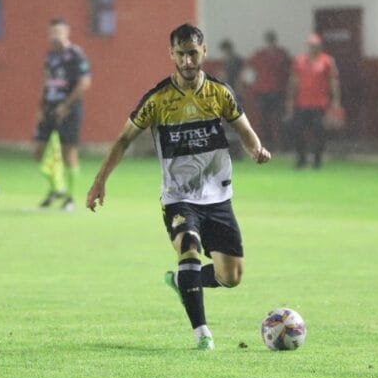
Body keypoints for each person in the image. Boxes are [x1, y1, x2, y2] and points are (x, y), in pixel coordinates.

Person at [85, 23, 270, 351]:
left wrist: (255, 148)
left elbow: (242, 125)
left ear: (204, 52)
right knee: (188, 246)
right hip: (179, 197)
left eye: (193, 54)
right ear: (171, 54)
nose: (187, 61)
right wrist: (99, 181)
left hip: (218, 197)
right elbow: (124, 139)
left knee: (231, 277)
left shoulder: (219, 92)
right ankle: (202, 333)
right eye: (181, 54)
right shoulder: (158, 99)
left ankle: (183, 281)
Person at [33, 17, 92, 211]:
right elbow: (46, 83)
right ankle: (56, 188)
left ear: (67, 32)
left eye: (58, 32)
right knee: (38, 151)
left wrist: (66, 105)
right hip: (49, 109)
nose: (55, 36)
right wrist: (40, 109)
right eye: (52, 32)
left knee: (69, 152)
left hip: (69, 110)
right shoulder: (50, 57)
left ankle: (70, 198)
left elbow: (84, 83)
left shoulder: (76, 55)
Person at [285, 33, 341, 169]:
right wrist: (290, 100)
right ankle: (301, 159)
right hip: (302, 104)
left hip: (320, 105)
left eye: (315, 46)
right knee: (297, 130)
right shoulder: (299, 61)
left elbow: (333, 82)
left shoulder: (327, 61)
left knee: (319, 133)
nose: (313, 48)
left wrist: (336, 101)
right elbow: (293, 82)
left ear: (319, 47)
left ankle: (317, 160)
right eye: (311, 46)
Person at [246, 30, 291, 147]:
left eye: (271, 40)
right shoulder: (260, 54)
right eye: (269, 41)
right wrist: (252, 83)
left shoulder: (282, 54)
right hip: (262, 91)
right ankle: (267, 142)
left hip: (278, 91)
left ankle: (280, 142)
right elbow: (249, 70)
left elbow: (289, 72)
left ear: (274, 41)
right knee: (264, 118)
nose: (270, 43)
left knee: (279, 118)